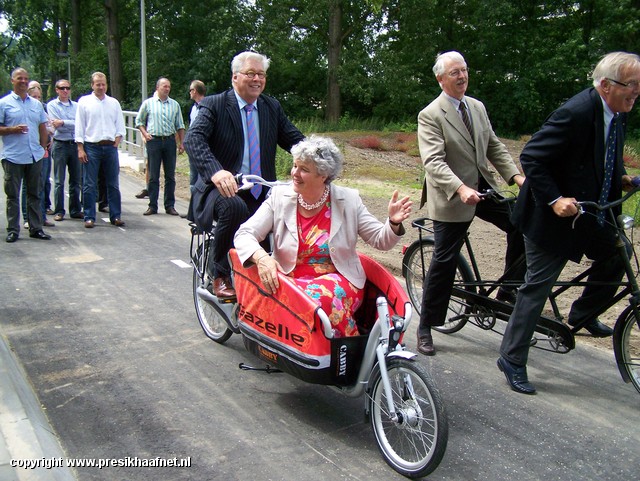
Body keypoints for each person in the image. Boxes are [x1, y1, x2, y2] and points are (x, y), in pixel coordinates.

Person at [497, 51, 640, 395]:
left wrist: (621, 178)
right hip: (550, 217)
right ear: (606, 85)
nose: (636, 92)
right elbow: (531, 157)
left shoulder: (616, 113)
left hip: (590, 211)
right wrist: (555, 198)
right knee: (538, 285)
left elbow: (604, 153)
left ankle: (582, 314)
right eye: (632, 85)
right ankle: (511, 357)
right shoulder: (575, 113)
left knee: (616, 252)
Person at [234, 136, 413, 336]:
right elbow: (244, 234)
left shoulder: (348, 200)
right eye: (295, 166)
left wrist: (394, 222)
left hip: (340, 280)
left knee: (321, 299)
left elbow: (381, 240)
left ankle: (347, 351)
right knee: (300, 300)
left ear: (323, 175)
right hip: (291, 282)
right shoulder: (279, 198)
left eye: (304, 169)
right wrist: (262, 258)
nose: (295, 173)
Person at [415, 51, 526, 356]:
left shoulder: (476, 107)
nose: (462, 76)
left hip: (483, 188)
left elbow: (493, 146)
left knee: (524, 222)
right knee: (445, 259)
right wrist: (460, 188)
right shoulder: (431, 114)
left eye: (464, 70)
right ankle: (426, 325)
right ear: (441, 79)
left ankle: (507, 291)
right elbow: (434, 162)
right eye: (454, 73)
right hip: (452, 194)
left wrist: (518, 179)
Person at [184, 50, 305, 300]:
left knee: (290, 211)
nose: (257, 79)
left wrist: (321, 158)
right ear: (235, 77)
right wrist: (216, 172)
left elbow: (295, 141)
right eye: (250, 73)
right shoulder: (215, 105)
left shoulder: (271, 107)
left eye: (261, 74)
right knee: (234, 207)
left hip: (261, 189)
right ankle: (220, 274)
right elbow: (193, 139)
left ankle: (286, 274)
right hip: (220, 190)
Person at [0, 67, 51, 242]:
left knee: (35, 194)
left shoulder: (36, 105)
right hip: (13, 156)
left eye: (26, 79)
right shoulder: (4, 103)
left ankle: (36, 228)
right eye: (19, 78)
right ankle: (13, 229)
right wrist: (12, 129)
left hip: (33, 156)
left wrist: (43, 148)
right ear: (12, 81)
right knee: (13, 195)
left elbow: (43, 127)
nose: (23, 81)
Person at [74, 71, 126, 228]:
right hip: (91, 146)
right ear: (92, 85)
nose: (101, 87)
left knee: (113, 184)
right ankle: (89, 216)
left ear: (106, 85)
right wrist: (80, 148)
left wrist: (116, 141)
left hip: (110, 147)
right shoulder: (84, 102)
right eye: (98, 84)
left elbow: (120, 125)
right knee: (89, 184)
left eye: (103, 84)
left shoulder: (113, 103)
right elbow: (79, 126)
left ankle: (116, 216)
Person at [135, 77, 186, 216]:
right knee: (153, 176)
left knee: (170, 176)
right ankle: (152, 205)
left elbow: (180, 125)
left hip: (169, 141)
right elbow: (139, 120)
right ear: (157, 87)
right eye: (164, 86)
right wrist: (145, 134)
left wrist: (182, 143)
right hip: (154, 141)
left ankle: (170, 205)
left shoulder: (175, 105)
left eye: (169, 86)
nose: (167, 89)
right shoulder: (149, 103)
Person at [47, 79, 83, 222]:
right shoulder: (52, 105)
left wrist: (63, 122)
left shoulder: (77, 106)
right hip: (60, 144)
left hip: (74, 144)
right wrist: (65, 123)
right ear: (57, 90)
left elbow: (80, 124)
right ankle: (59, 210)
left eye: (67, 88)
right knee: (59, 180)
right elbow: (55, 124)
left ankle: (75, 210)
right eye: (62, 88)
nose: (65, 91)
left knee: (75, 180)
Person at [24, 84, 55, 228]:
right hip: (28, 151)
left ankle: (41, 216)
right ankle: (27, 218)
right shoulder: (26, 110)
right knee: (29, 186)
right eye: (33, 96)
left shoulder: (42, 109)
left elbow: (51, 127)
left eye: (38, 97)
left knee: (42, 184)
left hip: (43, 151)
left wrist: (46, 142)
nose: (36, 99)